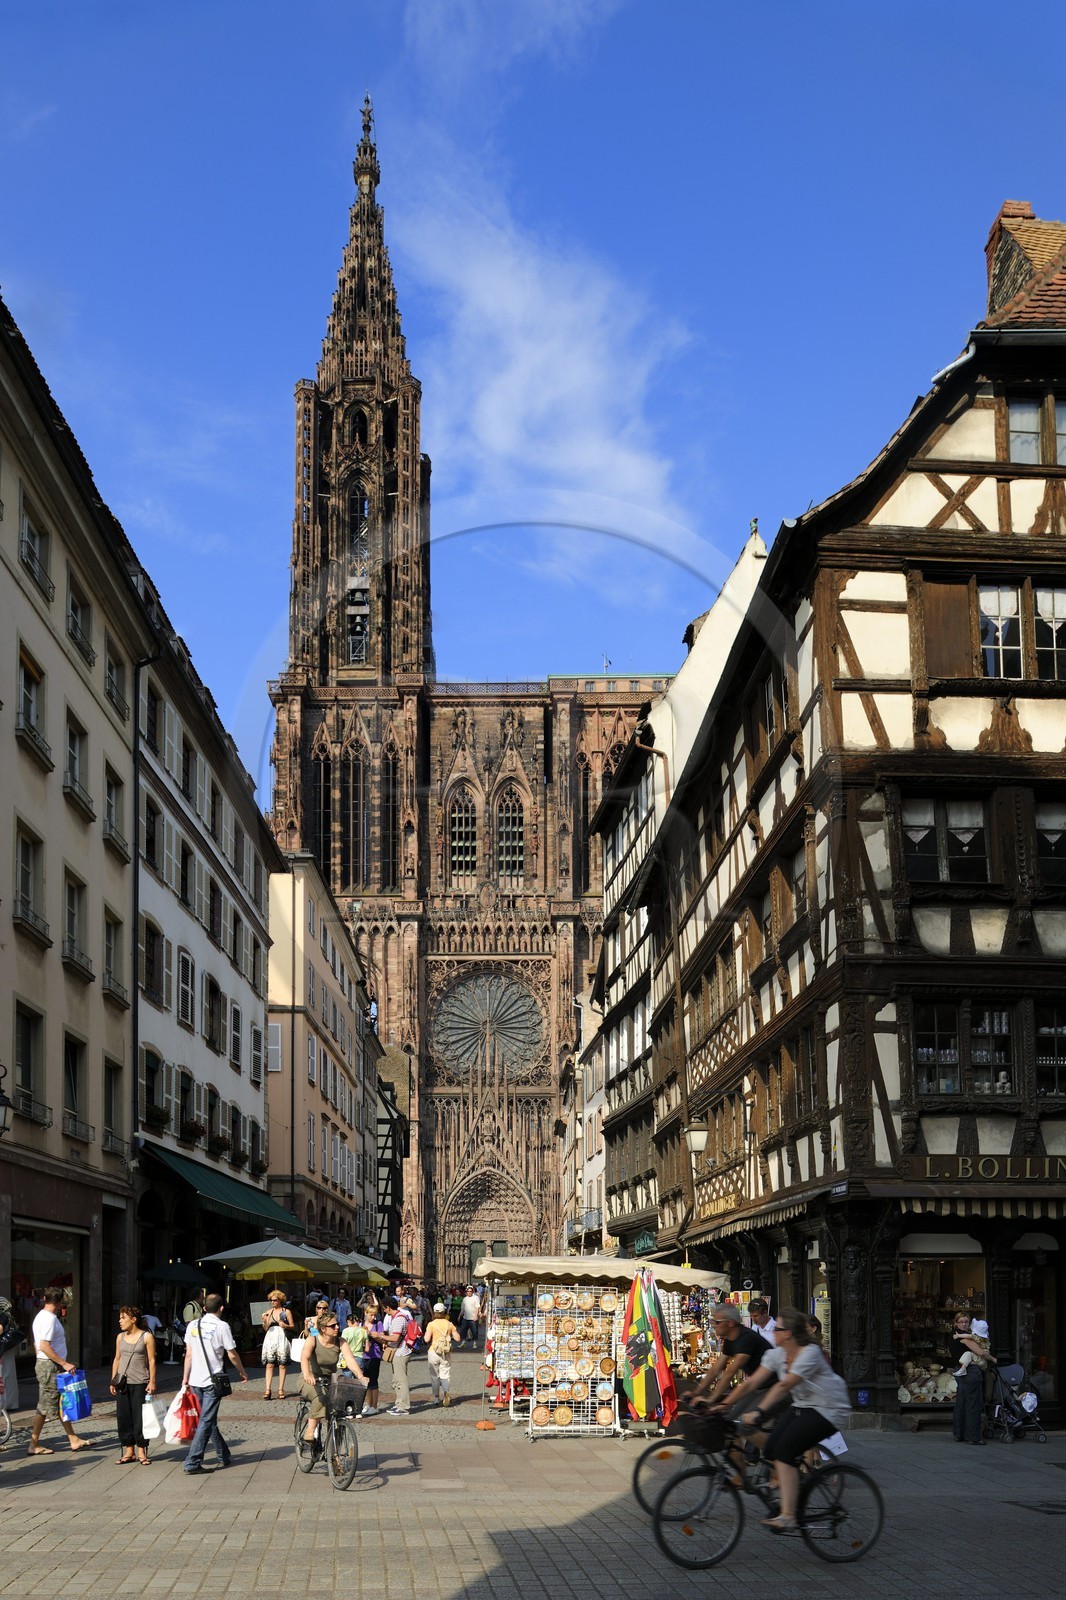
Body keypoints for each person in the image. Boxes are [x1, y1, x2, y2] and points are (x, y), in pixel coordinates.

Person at [741, 1306, 851, 1533]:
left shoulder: (810, 1352)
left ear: (788, 1332)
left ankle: (789, 1515)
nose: (774, 1332)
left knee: (784, 1450)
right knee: (771, 1446)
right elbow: (753, 1382)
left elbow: (784, 1385)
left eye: (778, 1328)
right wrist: (721, 1404)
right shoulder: (779, 1353)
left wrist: (759, 1412)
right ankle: (793, 1483)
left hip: (829, 1408)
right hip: (804, 1405)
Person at [181, 1293, 249, 1474]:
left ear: (204, 1308)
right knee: (206, 1420)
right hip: (213, 1380)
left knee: (207, 1420)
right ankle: (192, 1462)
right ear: (221, 1308)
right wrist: (242, 1372)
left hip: (196, 1379)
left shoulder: (193, 1325)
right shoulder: (222, 1326)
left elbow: (188, 1354)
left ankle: (223, 1455)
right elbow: (232, 1354)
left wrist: (185, 1378)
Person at [28, 1288, 93, 1456]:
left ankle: (73, 1439)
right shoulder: (49, 1319)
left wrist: (41, 1360)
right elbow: (44, 1345)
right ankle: (34, 1444)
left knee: (57, 1403)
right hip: (50, 1365)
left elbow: (38, 1346)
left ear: (44, 1298)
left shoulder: (40, 1317)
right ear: (59, 1302)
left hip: (45, 1364)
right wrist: (63, 1363)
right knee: (46, 1405)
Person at [299, 1308, 368, 1444]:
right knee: (320, 1398)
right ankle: (310, 1430)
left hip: (330, 1380)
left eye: (337, 1324)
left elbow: (350, 1360)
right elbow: (304, 1358)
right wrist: (307, 1375)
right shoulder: (312, 1340)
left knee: (339, 1410)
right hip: (310, 1378)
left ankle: (334, 1453)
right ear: (323, 1329)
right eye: (333, 1325)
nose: (337, 1327)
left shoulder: (340, 1341)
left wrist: (360, 1376)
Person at [690, 1302, 772, 1406]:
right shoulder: (730, 1339)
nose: (714, 1326)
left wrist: (711, 1399)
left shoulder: (746, 1338)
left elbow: (730, 1373)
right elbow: (716, 1368)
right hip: (758, 1386)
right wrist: (695, 1393)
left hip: (771, 1387)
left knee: (742, 1418)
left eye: (717, 1322)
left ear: (730, 1323)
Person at [110, 1305, 157, 1465]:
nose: (120, 1321)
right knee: (124, 1417)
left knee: (140, 1418)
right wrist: (113, 1379)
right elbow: (117, 1358)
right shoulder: (119, 1337)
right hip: (123, 1383)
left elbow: (151, 1360)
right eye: (120, 1318)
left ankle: (142, 1451)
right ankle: (129, 1451)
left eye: (123, 1318)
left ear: (133, 1319)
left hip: (140, 1383)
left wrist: (152, 1381)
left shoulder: (146, 1337)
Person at [952, 1311, 991, 1445]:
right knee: (973, 1404)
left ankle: (959, 1434)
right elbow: (981, 1353)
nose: (964, 1324)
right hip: (971, 1371)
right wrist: (993, 1359)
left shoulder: (954, 1336)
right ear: (956, 1323)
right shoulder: (967, 1338)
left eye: (966, 1322)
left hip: (958, 1370)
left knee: (961, 1403)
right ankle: (973, 1436)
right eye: (961, 1322)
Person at [424, 1301, 461, 1406]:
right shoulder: (449, 1324)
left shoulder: (431, 1324)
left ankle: (436, 1398)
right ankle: (446, 1392)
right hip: (445, 1352)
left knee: (434, 1376)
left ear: (435, 1313)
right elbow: (458, 1338)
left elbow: (426, 1339)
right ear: (444, 1312)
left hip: (433, 1351)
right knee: (445, 1375)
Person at [261, 1290, 295, 1400]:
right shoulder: (268, 1312)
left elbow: (292, 1326)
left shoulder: (286, 1312)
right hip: (271, 1338)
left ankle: (281, 1389)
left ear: (280, 1300)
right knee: (269, 1364)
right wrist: (265, 1322)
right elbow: (266, 1329)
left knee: (282, 1364)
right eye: (271, 1300)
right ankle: (267, 1389)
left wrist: (285, 1325)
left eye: (275, 1300)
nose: (273, 1302)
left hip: (282, 1337)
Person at [384, 1295, 415, 1415]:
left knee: (401, 1380)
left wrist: (380, 1336)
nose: (384, 1311)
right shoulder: (396, 1317)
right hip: (398, 1351)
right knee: (396, 1379)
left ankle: (403, 1406)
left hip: (401, 1352)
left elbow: (395, 1337)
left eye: (384, 1308)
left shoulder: (398, 1319)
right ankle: (399, 1404)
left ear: (388, 1307)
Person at [357, 1305, 385, 1416]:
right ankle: (368, 1404)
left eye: (375, 1314)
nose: (373, 1317)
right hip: (363, 1355)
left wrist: (371, 1335)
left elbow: (382, 1339)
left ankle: (375, 1406)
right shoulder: (361, 1325)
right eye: (371, 1314)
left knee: (373, 1381)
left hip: (375, 1355)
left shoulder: (378, 1324)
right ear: (366, 1313)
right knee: (366, 1381)